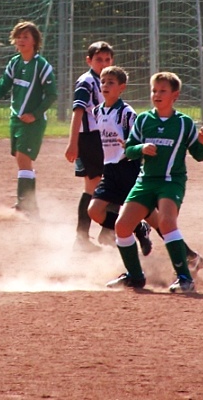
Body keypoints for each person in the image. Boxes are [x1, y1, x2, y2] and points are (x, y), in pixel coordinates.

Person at [90, 66, 203, 269]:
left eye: (111, 82)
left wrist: (134, 147)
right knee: (95, 211)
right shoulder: (97, 111)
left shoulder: (127, 113)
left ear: (122, 87)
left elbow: (137, 138)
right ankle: (136, 230)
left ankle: (187, 254)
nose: (105, 85)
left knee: (158, 221)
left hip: (128, 169)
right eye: (103, 81)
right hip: (109, 170)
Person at [0, 21, 57, 217]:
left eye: (26, 37)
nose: (21, 40)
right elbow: (3, 85)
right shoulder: (15, 62)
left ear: (35, 41)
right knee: (21, 160)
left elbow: (52, 94)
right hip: (16, 119)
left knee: (23, 159)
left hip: (33, 122)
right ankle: (28, 204)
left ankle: (25, 204)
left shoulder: (41, 66)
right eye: (18, 37)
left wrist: (35, 115)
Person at [64, 41, 114, 251]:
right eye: (98, 60)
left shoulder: (108, 81)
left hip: (102, 138)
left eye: (107, 59)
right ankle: (86, 237)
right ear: (89, 61)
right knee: (94, 186)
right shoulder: (86, 81)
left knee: (110, 182)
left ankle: (104, 232)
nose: (103, 63)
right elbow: (78, 113)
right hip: (89, 139)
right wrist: (72, 144)